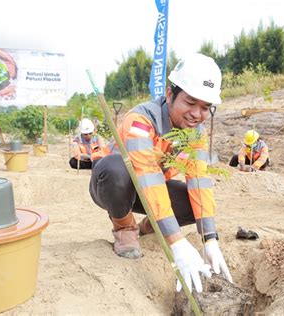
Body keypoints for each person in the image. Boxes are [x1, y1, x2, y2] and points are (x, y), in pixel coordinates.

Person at [89, 53, 233, 293]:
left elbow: (199, 180)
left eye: (205, 107)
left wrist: (210, 238)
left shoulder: (195, 132)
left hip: (152, 189)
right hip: (114, 185)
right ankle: (125, 228)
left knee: (191, 201)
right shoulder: (141, 121)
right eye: (190, 102)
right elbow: (147, 176)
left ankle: (149, 227)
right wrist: (176, 241)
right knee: (116, 170)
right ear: (169, 94)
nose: (197, 114)